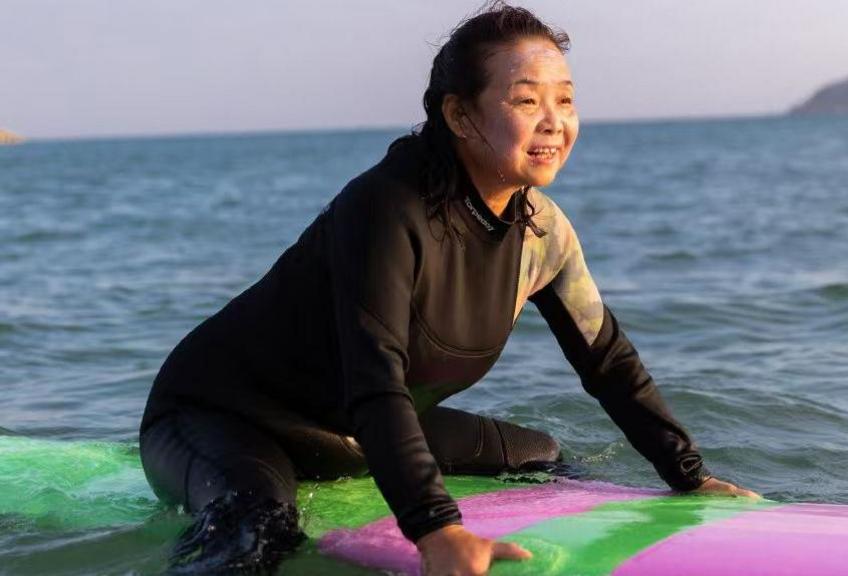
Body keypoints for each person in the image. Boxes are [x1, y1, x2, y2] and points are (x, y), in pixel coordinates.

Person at [139, 2, 759, 574]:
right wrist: (437, 530)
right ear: (459, 114)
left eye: (566, 101)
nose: (554, 123)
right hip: (223, 414)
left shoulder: (543, 230)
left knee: (539, 455)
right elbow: (376, 379)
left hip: (346, 431)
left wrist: (690, 479)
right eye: (526, 101)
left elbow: (608, 362)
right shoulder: (386, 208)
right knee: (258, 534)